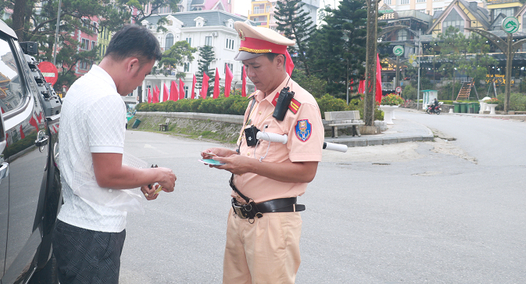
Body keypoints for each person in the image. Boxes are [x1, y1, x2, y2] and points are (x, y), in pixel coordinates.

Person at [53, 24, 177, 284]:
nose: (140, 83)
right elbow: (108, 174)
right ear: (132, 64)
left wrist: (141, 176)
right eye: (144, 74)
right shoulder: (108, 99)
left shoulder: (80, 86)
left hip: (72, 225)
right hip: (96, 232)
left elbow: (88, 160)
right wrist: (158, 174)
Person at [201, 22, 324, 284]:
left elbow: (306, 171)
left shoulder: (302, 105)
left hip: (272, 223)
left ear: (279, 61)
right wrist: (227, 155)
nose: (250, 74)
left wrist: (248, 166)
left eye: (256, 66)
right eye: (246, 67)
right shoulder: (257, 100)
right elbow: (252, 150)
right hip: (238, 216)